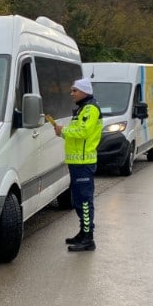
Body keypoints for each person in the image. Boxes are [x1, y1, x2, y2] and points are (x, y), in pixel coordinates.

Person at [53, 77, 102, 251]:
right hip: (76, 162)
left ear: (84, 92)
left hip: (84, 163)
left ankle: (88, 238)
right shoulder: (82, 109)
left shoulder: (90, 109)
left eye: (75, 90)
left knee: (85, 201)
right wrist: (62, 133)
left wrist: (63, 130)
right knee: (78, 201)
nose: (71, 93)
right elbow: (77, 134)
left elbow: (83, 131)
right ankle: (83, 233)